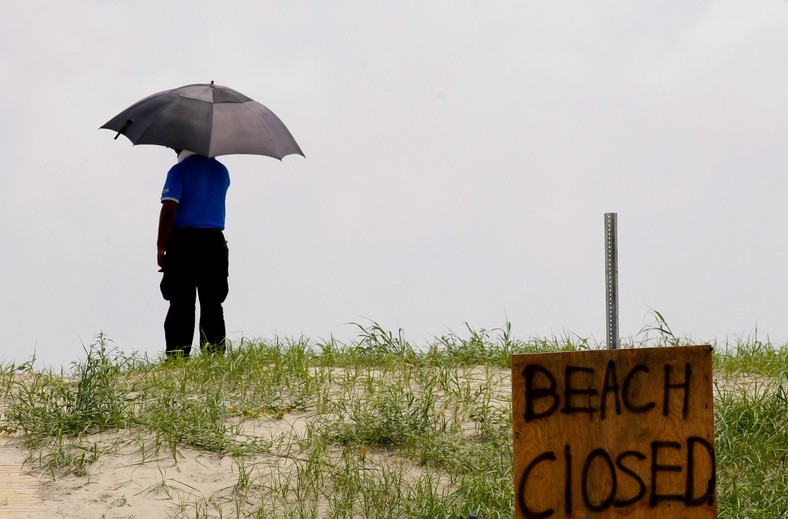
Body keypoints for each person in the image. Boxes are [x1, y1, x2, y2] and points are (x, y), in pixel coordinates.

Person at [157, 149, 231, 358]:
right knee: (212, 304)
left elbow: (169, 209)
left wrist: (160, 246)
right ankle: (214, 356)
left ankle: (177, 356)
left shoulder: (179, 171)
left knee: (180, 303)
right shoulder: (221, 171)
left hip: (184, 242)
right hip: (214, 242)